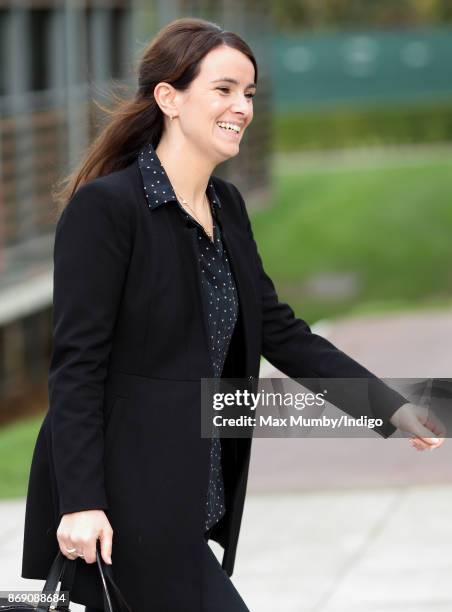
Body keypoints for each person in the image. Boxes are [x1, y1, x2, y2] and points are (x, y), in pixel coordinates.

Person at [20, 16, 445, 612]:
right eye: (222, 90)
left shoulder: (227, 205)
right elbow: (77, 367)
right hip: (121, 505)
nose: (241, 107)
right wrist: (80, 503)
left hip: (192, 493)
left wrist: (390, 407)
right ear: (169, 97)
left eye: (248, 93)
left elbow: (280, 329)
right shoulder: (108, 210)